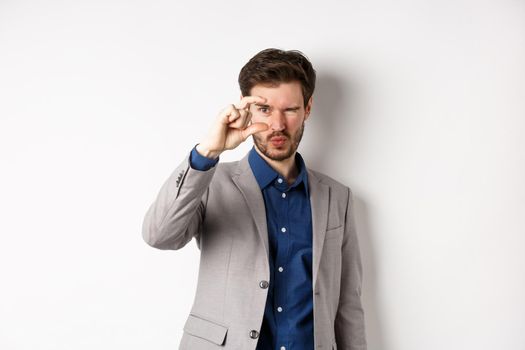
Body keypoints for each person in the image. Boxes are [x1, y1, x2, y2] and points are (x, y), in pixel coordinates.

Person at [142, 48, 367, 350]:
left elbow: (348, 305)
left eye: (290, 110)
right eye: (264, 109)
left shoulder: (338, 197)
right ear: (247, 109)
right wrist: (208, 152)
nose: (277, 124)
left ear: (308, 109)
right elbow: (159, 236)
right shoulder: (210, 181)